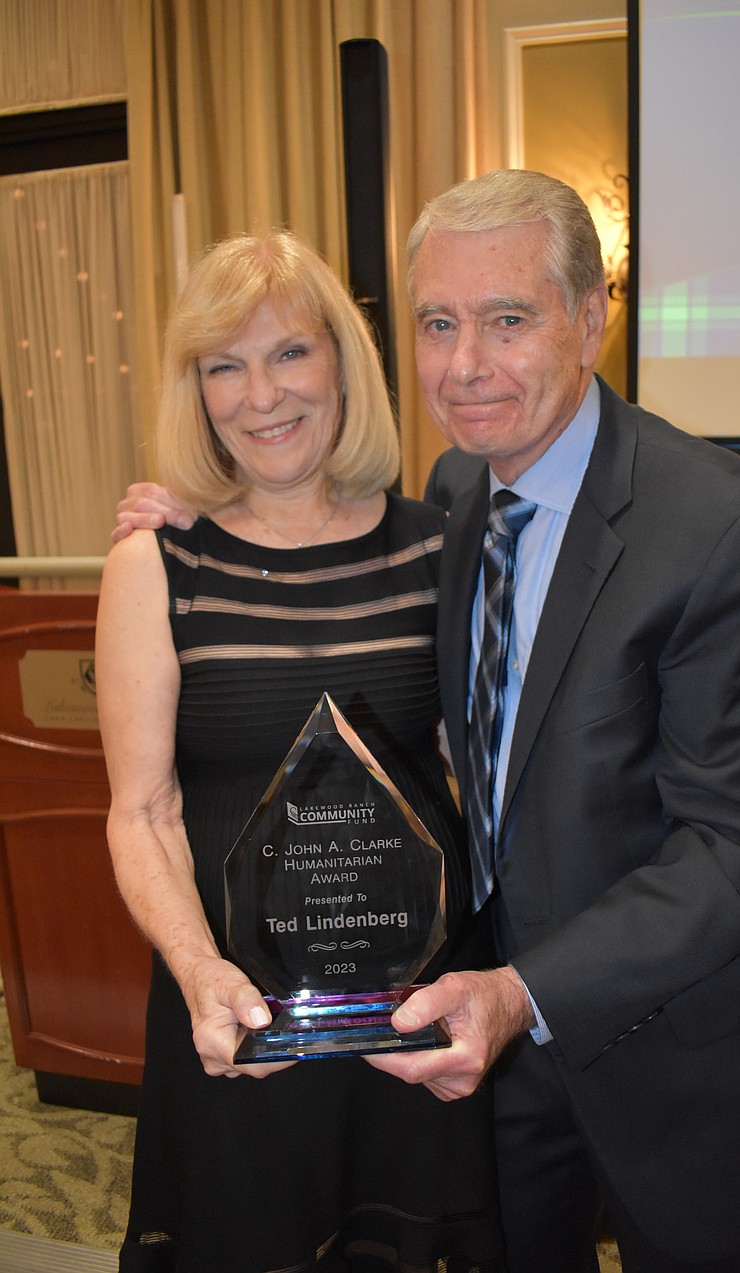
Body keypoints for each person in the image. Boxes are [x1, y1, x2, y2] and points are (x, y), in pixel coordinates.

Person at [112, 172, 740, 1273]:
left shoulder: (730, 529)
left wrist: (521, 995)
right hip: (493, 1070)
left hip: (692, 1066)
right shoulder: (456, 496)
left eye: (507, 320)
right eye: (438, 323)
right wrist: (193, 508)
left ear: (590, 318)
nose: (465, 365)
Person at [96, 228, 506, 1273]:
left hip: (409, 1007)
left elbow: (479, 775)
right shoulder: (156, 562)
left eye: (289, 353)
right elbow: (141, 811)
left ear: (341, 363)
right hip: (233, 1008)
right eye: (223, 367)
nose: (261, 395)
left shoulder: (440, 547)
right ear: (196, 392)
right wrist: (199, 973)